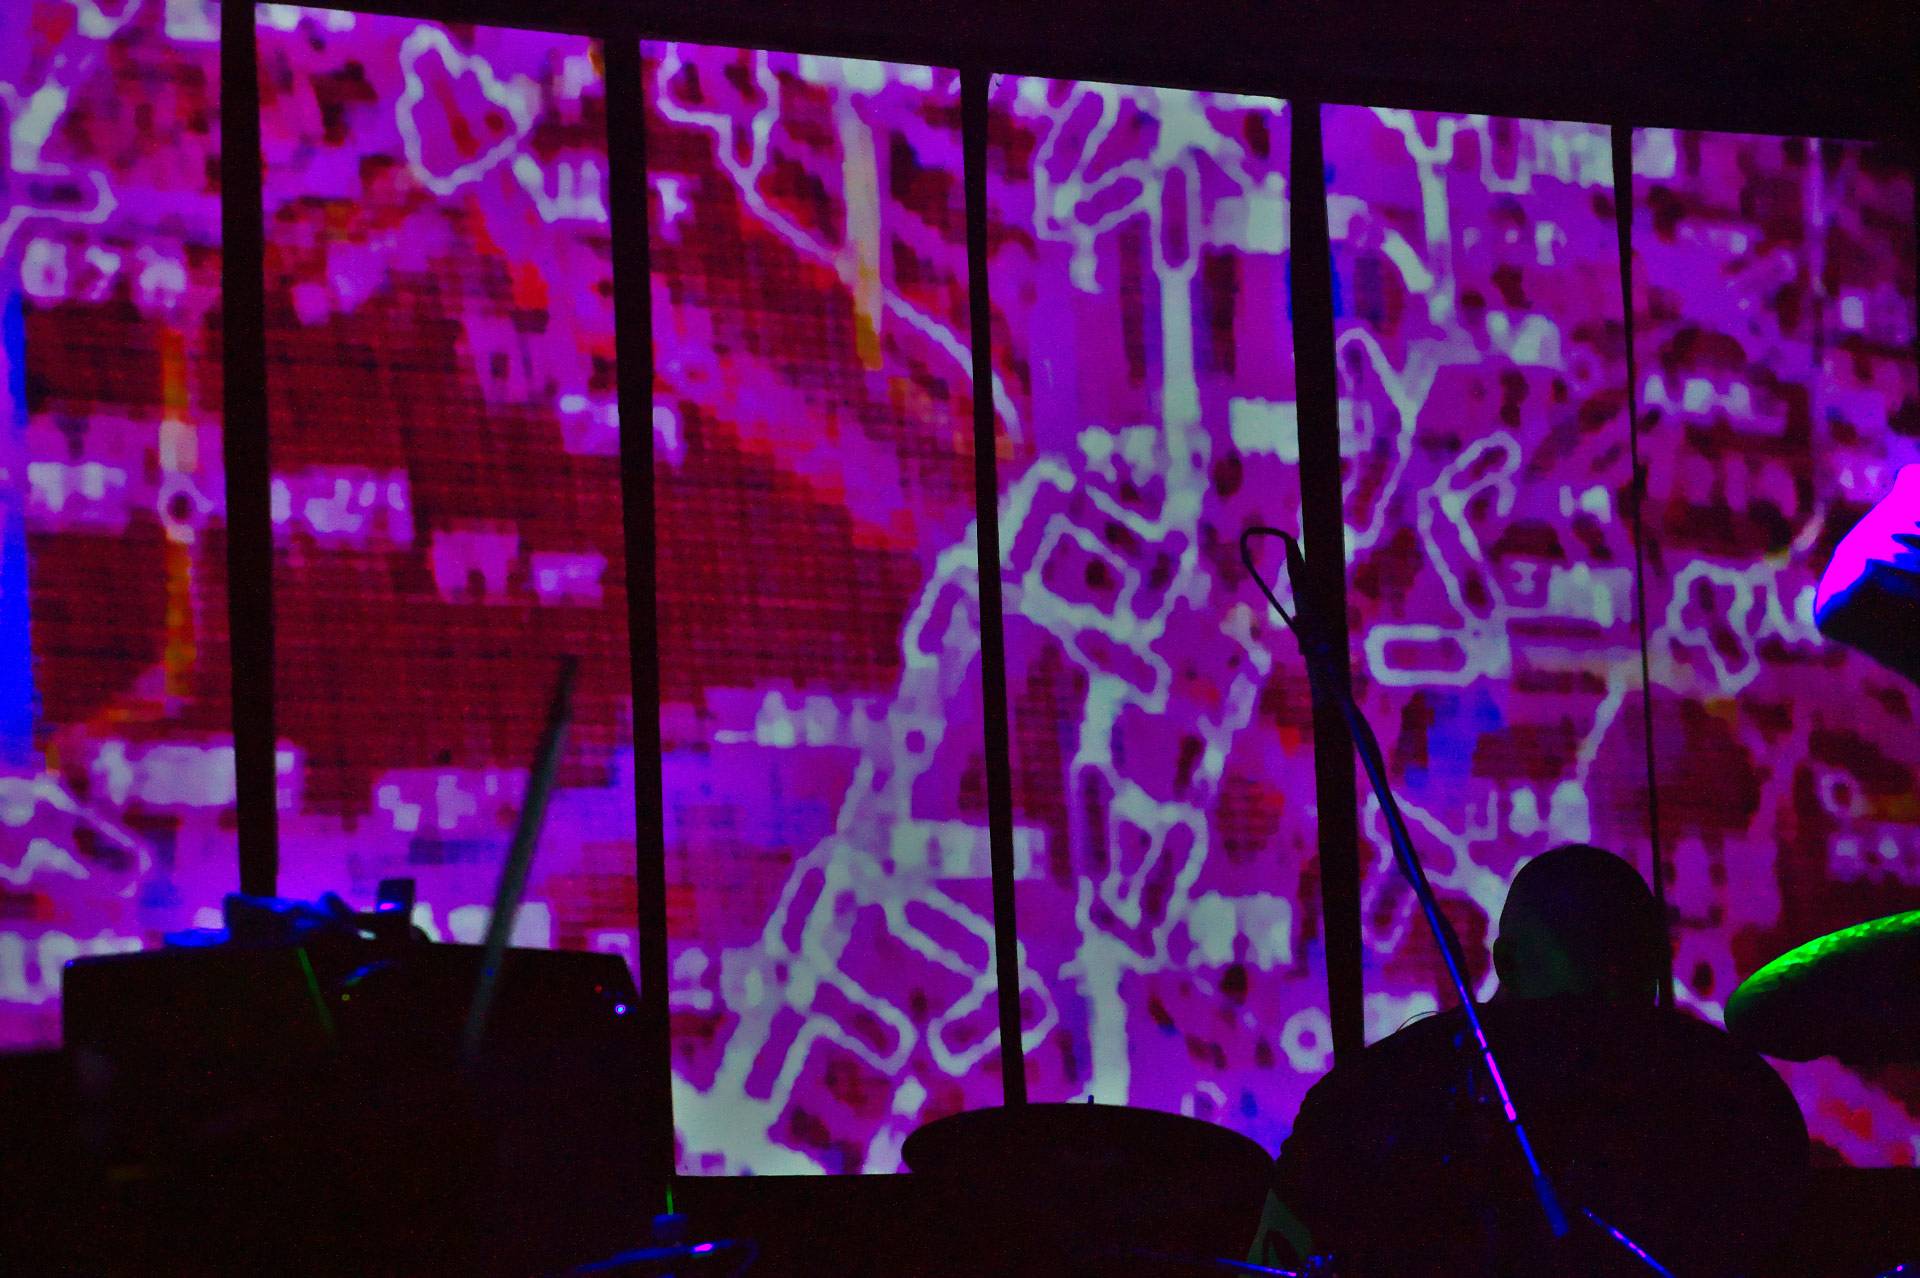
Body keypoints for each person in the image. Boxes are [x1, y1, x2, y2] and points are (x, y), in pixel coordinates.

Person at [1249, 844, 1809, 1277]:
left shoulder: (1374, 1091)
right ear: (1655, 968)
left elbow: (1274, 1260)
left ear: (1504, 962)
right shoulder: (1739, 1101)